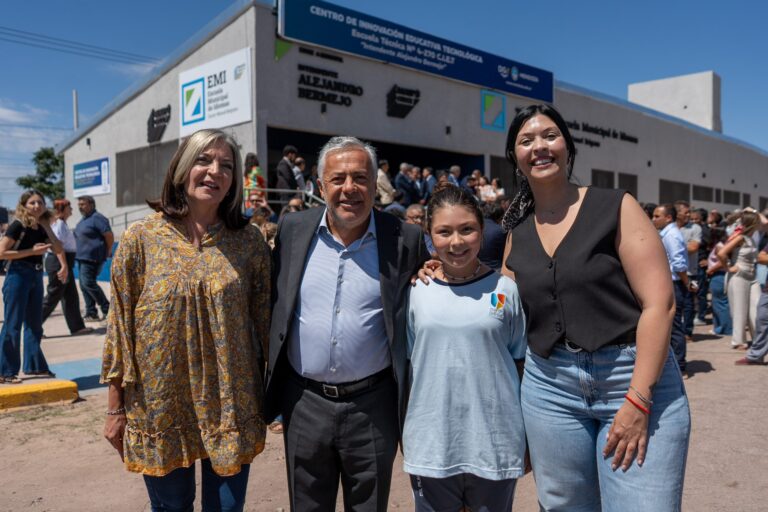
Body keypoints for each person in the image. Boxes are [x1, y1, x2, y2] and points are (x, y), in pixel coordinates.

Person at [501, 105, 690, 510]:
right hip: (549, 388)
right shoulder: (516, 233)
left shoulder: (615, 205)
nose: (539, 146)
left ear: (568, 147)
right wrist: (437, 273)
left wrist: (638, 399)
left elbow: (660, 303)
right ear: (514, 157)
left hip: (631, 377)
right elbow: (500, 308)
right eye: (526, 140)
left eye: (550, 135)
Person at [101, 129, 271, 511]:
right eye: (204, 160)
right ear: (181, 168)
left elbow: (267, 321)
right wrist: (115, 408)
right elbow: (119, 328)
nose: (215, 171)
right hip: (160, 406)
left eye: (226, 166)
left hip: (232, 404)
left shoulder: (249, 242)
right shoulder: (140, 238)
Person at [265, 136, 427, 511]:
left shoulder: (405, 238)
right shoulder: (292, 230)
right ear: (320, 186)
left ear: (375, 184)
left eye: (360, 178)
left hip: (373, 406)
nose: (349, 189)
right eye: (338, 179)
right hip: (304, 401)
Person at [405, 184, 526, 511]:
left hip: (494, 443)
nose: (456, 242)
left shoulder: (505, 291)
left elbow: (521, 365)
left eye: (467, 229)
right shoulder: (416, 290)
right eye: (444, 232)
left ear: (482, 231)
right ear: (429, 235)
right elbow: (408, 365)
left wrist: (527, 441)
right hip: (432, 444)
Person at [0, 190, 67, 383]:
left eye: (40, 202)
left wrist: (47, 227)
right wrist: (31, 251)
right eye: (32, 203)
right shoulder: (17, 225)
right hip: (17, 275)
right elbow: (2, 253)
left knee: (34, 325)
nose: (37, 206)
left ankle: (34, 366)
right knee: (13, 324)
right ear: (24, 206)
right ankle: (5, 371)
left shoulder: (41, 226)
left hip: (36, 275)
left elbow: (58, 249)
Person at [41, 199, 93, 336]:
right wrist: (63, 266)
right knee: (53, 295)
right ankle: (33, 324)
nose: (72, 210)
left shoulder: (62, 224)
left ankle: (77, 327)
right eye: (69, 207)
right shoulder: (58, 225)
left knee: (71, 296)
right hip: (59, 261)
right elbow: (57, 247)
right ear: (62, 209)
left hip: (65, 261)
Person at [717, 209, 766, 349]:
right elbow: (721, 252)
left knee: (757, 309)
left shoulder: (752, 237)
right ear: (753, 224)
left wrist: (753, 211)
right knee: (739, 311)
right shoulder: (740, 237)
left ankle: (759, 339)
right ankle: (739, 342)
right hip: (739, 276)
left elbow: (765, 222)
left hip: (752, 276)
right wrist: (728, 267)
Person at [652, 204, 691, 375]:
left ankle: (680, 366)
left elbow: (678, 263)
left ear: (668, 217)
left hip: (675, 283)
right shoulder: (667, 233)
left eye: (657, 216)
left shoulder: (672, 235)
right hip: (670, 283)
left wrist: (686, 282)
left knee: (674, 327)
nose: (653, 219)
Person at [74, 195, 113, 322]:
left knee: (88, 283)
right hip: (82, 258)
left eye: (83, 204)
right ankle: (91, 312)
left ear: (91, 204)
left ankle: (108, 310)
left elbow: (108, 235)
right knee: (84, 285)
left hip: (92, 258)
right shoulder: (83, 220)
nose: (80, 207)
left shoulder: (97, 218)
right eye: (79, 204)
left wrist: (108, 250)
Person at [674, 201, 702, 339]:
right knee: (676, 305)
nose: (689, 215)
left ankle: (687, 332)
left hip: (692, 272)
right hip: (673, 274)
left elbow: (694, 247)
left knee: (689, 303)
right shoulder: (670, 228)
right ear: (677, 213)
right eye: (686, 212)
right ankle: (677, 331)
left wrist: (673, 248)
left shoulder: (695, 228)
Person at [706, 227, 732, 335]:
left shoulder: (719, 246)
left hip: (718, 276)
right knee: (718, 303)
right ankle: (719, 327)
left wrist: (710, 270)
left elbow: (722, 262)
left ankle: (724, 328)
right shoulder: (723, 245)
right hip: (719, 275)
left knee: (720, 303)